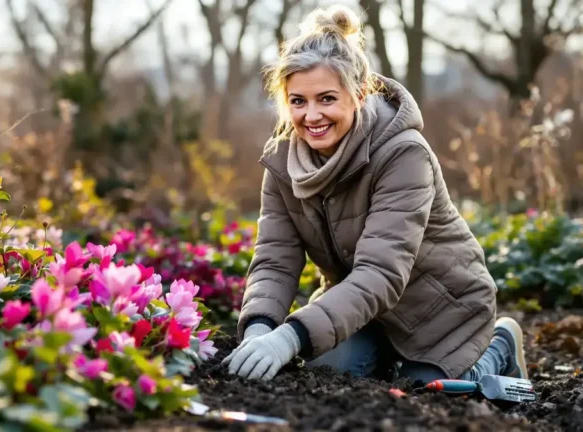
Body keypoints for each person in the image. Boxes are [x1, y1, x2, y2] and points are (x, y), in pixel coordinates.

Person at [221, 5, 528, 384]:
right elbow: (275, 260)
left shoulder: (403, 154)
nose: (311, 116)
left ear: (360, 93)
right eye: (298, 101)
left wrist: (289, 337)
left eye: (327, 99)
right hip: (359, 310)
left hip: (440, 311)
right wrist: (260, 330)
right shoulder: (283, 161)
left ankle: (500, 346)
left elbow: (380, 273)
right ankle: (383, 361)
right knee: (327, 372)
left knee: (429, 390)